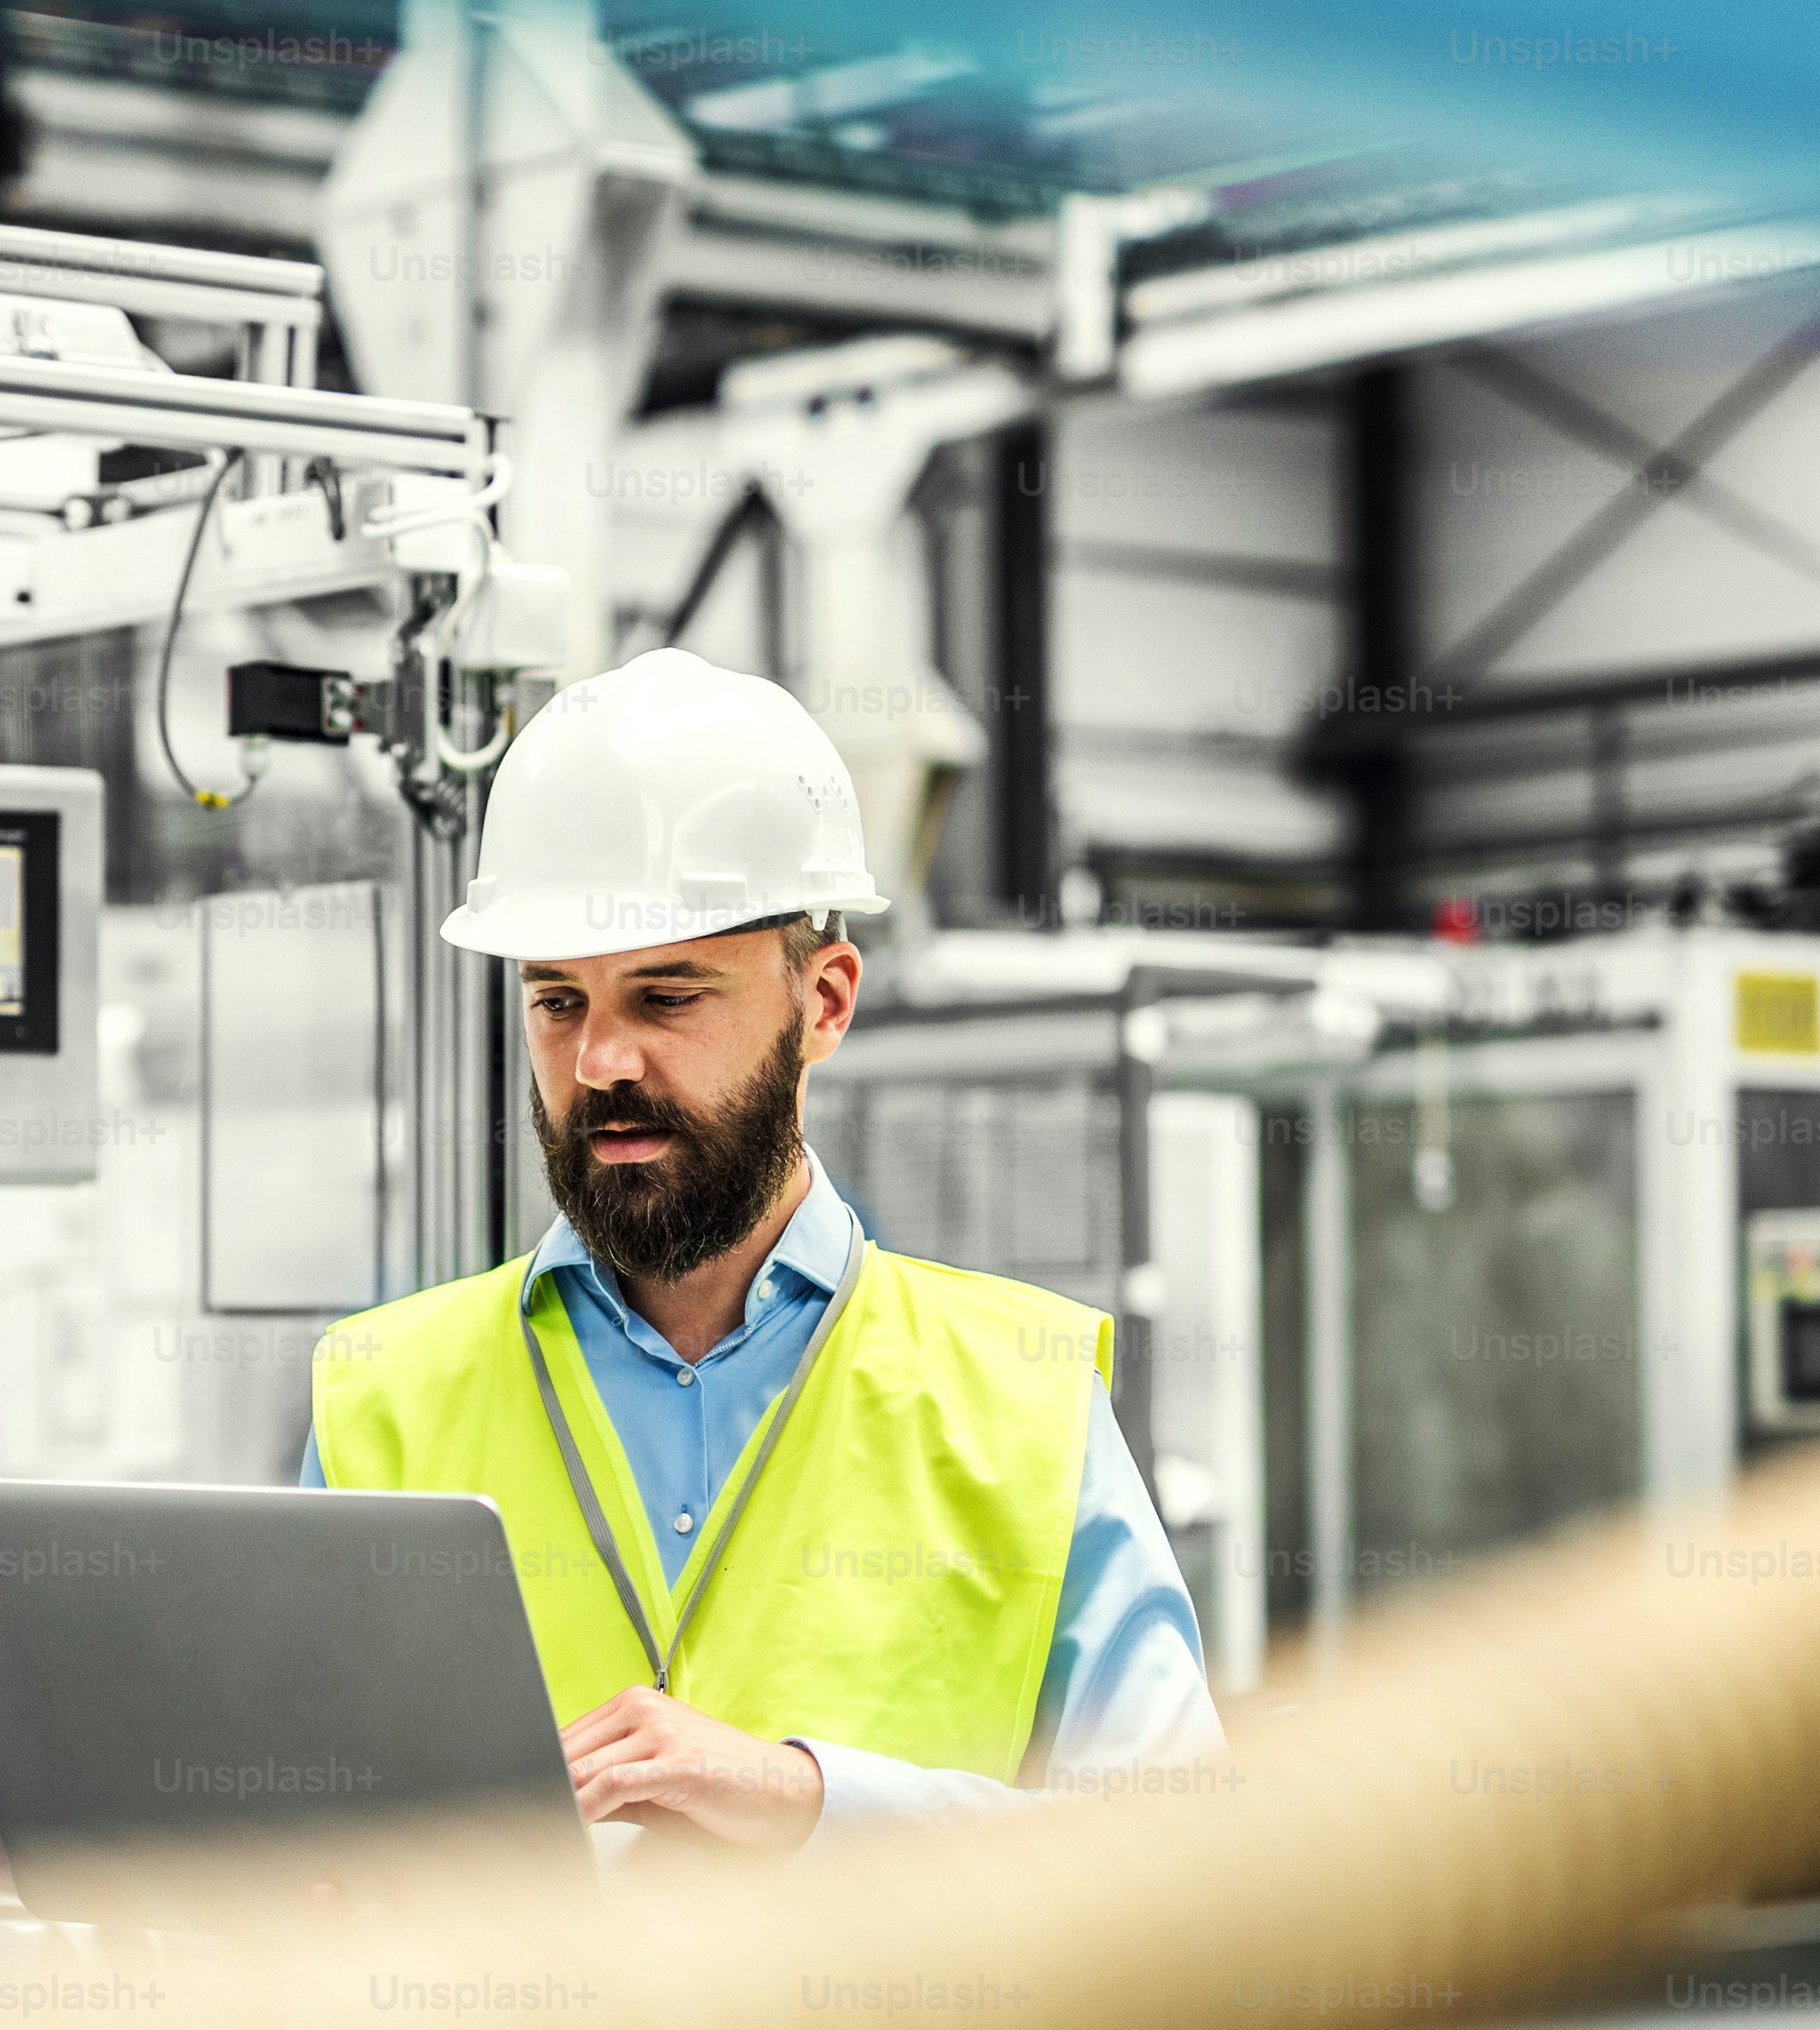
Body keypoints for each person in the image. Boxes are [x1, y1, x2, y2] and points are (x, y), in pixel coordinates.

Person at [302, 647, 1223, 1848]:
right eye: (557, 1000)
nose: (600, 1063)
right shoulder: (381, 1400)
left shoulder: (1023, 1402)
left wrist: (812, 1799)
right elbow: (296, 1835)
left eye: (668, 996)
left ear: (825, 1001)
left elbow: (1183, 1864)